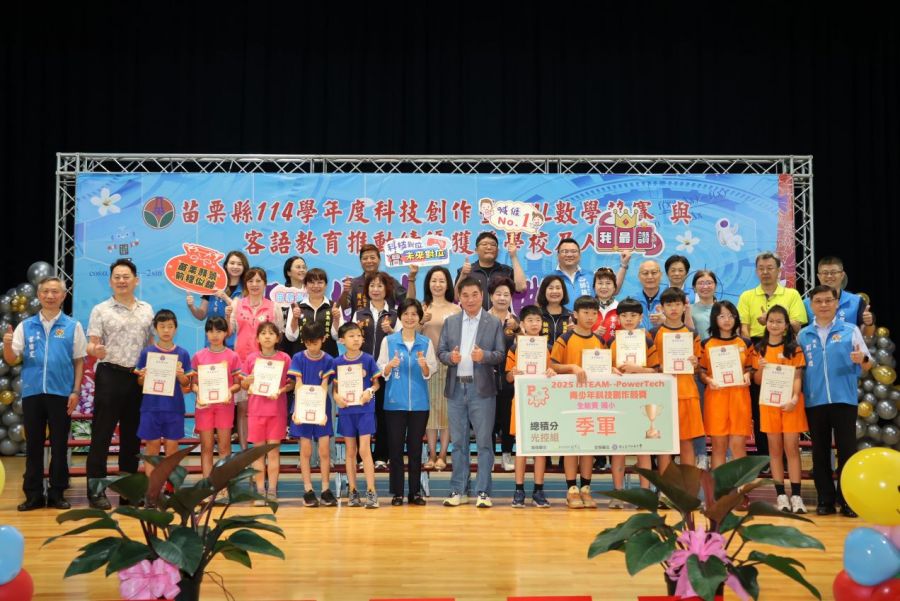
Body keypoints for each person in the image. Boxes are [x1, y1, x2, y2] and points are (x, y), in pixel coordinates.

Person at [3, 276, 85, 511]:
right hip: (33, 394)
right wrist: (7, 344)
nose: (50, 296)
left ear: (63, 295)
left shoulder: (73, 326)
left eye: (55, 292)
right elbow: (11, 358)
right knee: (34, 446)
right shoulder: (26, 326)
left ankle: (58, 493)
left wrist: (76, 391)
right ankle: (33, 495)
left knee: (59, 446)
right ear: (39, 295)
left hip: (62, 394)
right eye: (46, 291)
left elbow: (79, 361)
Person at [798, 285, 873, 517]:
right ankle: (825, 500)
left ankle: (848, 499)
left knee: (847, 451)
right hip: (815, 401)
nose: (823, 305)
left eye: (828, 300)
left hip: (844, 400)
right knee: (820, 453)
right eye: (818, 301)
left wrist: (862, 359)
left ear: (836, 303)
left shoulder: (850, 330)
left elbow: (868, 364)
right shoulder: (803, 335)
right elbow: (797, 370)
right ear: (811, 306)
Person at [85, 258, 155, 510]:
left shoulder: (147, 309)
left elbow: (150, 345)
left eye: (126, 276)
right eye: (117, 277)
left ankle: (128, 492)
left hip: (137, 378)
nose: (122, 281)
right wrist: (95, 350)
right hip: (110, 375)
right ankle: (96, 491)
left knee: (132, 438)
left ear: (136, 280)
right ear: (110, 281)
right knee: (102, 435)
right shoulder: (100, 310)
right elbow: (91, 344)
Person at [438, 277, 506, 509]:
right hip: (456, 389)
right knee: (458, 443)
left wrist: (483, 356)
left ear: (482, 296)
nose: (470, 299)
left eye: (474, 294)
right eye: (465, 295)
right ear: (459, 297)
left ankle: (483, 491)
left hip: (482, 390)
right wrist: (451, 357)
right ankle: (459, 489)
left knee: (485, 443)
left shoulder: (493, 322)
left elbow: (500, 354)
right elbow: (441, 352)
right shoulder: (451, 322)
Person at [736, 252, 807, 458]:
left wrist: (773, 320)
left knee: (785, 402)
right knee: (761, 407)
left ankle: (786, 456)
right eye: (761, 268)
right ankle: (764, 457)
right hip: (759, 350)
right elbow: (744, 328)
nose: (765, 272)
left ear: (779, 270)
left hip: (786, 351)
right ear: (756, 271)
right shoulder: (747, 296)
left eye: (770, 268)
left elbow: (797, 324)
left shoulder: (792, 295)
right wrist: (754, 352)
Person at [226, 267, 295, 450]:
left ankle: (265, 451)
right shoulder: (237, 304)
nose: (254, 284)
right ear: (245, 284)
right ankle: (245, 452)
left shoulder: (274, 307)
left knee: (266, 407)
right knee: (243, 408)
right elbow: (229, 332)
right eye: (250, 281)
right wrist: (226, 316)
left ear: (265, 284)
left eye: (258, 281)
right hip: (243, 363)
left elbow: (278, 333)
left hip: (268, 366)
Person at [378, 298, 437, 506]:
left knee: (415, 450)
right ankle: (397, 493)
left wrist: (424, 366)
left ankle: (415, 492)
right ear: (400, 317)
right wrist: (389, 366)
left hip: (419, 405)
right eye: (406, 314)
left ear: (419, 318)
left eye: (414, 314)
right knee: (395, 450)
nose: (410, 318)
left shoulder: (426, 343)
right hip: (394, 404)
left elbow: (430, 371)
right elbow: (381, 369)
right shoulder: (389, 341)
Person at [750, 305, 808, 514]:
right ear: (766, 324)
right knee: (774, 451)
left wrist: (794, 398)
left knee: (791, 449)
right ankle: (781, 495)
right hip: (769, 405)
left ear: (785, 326)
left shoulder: (794, 348)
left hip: (791, 404)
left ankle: (797, 496)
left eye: (779, 321)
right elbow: (757, 380)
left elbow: (797, 376)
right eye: (771, 321)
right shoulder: (758, 349)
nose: (774, 325)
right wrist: (761, 368)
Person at [550, 295, 606, 509]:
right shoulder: (564, 338)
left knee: (588, 446)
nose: (590, 317)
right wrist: (572, 367)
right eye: (585, 312)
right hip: (569, 401)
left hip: (593, 401)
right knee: (571, 445)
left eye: (594, 313)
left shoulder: (599, 341)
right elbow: (552, 365)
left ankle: (586, 489)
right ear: (575, 314)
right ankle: (571, 489)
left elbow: (605, 366)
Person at [608, 297, 659, 504]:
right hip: (618, 401)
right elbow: (601, 367)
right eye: (624, 315)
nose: (628, 319)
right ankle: (618, 493)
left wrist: (637, 369)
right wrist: (610, 369)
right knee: (618, 448)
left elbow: (657, 370)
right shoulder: (611, 342)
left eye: (633, 315)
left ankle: (645, 494)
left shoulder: (647, 341)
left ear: (640, 317)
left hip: (643, 400)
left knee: (643, 449)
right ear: (618, 318)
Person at [504, 305, 555, 508]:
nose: (534, 324)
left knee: (539, 448)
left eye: (537, 320)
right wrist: (513, 373)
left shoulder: (548, 347)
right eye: (530, 320)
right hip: (521, 402)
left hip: (543, 403)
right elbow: (508, 377)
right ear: (523, 324)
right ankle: (519, 490)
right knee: (522, 448)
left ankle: (538, 490)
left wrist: (551, 372)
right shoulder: (515, 347)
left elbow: (553, 371)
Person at [348, 271, 399, 469]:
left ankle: (381, 456)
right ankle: (362, 457)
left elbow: (401, 341)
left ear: (387, 289)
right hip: (362, 372)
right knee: (362, 414)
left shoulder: (394, 315)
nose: (375, 289)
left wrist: (391, 332)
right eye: (372, 286)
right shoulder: (359, 314)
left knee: (384, 414)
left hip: (386, 372)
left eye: (380, 286)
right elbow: (350, 339)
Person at [134, 309, 192, 479]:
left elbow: (186, 383)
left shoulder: (182, 353)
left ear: (176, 329)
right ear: (155, 328)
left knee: (172, 449)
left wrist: (180, 375)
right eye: (162, 326)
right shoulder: (147, 353)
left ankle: (170, 486)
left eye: (170, 326)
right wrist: (143, 377)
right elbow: (140, 382)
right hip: (150, 407)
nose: (166, 330)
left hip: (174, 408)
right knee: (151, 448)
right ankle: (151, 488)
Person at [651, 287, 704, 473]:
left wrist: (695, 363)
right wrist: (659, 367)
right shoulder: (653, 333)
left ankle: (687, 486)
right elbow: (650, 366)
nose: (673, 308)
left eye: (677, 304)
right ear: (661, 308)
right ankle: (665, 486)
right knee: (664, 443)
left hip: (687, 392)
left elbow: (698, 368)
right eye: (669, 305)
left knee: (686, 442)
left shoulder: (693, 334)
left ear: (684, 307)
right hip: (661, 395)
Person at [241, 321, 293, 505]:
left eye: (271, 333)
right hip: (256, 412)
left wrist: (281, 390)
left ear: (277, 338)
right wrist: (247, 381)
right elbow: (243, 384)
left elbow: (291, 383)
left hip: (277, 412)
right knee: (258, 453)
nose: (267, 336)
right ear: (257, 338)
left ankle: (271, 490)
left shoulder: (285, 358)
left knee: (273, 453)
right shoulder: (251, 359)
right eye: (263, 333)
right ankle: (259, 491)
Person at [288, 322, 337, 507]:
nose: (312, 346)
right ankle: (308, 490)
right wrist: (297, 411)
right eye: (308, 343)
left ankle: (325, 489)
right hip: (302, 408)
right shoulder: (298, 358)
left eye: (315, 342)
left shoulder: (329, 360)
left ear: (323, 339)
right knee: (306, 450)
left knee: (324, 450)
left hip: (321, 408)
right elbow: (298, 384)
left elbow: (325, 386)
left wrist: (321, 412)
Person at [333, 321, 382, 509]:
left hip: (365, 410)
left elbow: (376, 384)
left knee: (364, 450)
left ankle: (371, 491)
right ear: (342, 340)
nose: (356, 339)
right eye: (351, 336)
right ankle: (353, 491)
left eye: (359, 336)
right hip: (347, 411)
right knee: (350, 451)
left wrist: (369, 391)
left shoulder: (368, 359)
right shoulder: (337, 362)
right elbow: (335, 388)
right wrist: (336, 397)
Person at [699, 301, 752, 469]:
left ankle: (741, 485)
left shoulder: (745, 343)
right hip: (716, 397)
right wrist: (708, 380)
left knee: (738, 446)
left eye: (731, 316)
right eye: (722, 316)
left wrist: (748, 375)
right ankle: (718, 485)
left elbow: (751, 367)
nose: (727, 320)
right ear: (714, 319)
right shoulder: (706, 344)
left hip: (739, 398)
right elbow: (701, 372)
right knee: (718, 447)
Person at [419, 266, 460, 471]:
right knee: (430, 412)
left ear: (448, 284)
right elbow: (411, 334)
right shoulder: (422, 308)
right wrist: (421, 321)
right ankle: (431, 454)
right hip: (427, 367)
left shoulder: (456, 309)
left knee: (446, 411)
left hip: (450, 365)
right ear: (428, 284)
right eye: (434, 280)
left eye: (442, 281)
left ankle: (443, 454)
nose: (437, 285)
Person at [190, 317, 242, 478]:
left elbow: (237, 384)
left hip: (224, 406)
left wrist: (229, 391)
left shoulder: (233, 356)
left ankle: (223, 484)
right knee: (206, 447)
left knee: (224, 447)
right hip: (204, 407)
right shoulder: (198, 356)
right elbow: (193, 384)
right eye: (211, 331)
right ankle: (207, 484)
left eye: (219, 331)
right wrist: (199, 392)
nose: (214, 335)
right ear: (206, 333)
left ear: (226, 333)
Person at [186, 250, 248, 348]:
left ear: (244, 267)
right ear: (226, 265)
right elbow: (201, 315)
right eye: (232, 263)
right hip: (213, 343)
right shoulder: (213, 285)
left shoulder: (247, 289)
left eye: (239, 264)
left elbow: (245, 314)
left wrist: (225, 297)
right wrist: (191, 306)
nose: (235, 267)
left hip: (237, 345)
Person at [488, 277, 519, 472]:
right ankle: (489, 455)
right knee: (488, 420)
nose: (502, 298)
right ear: (491, 296)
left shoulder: (516, 322)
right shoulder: (482, 319)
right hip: (487, 379)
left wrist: (519, 330)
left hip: (509, 379)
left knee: (508, 418)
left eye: (506, 294)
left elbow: (527, 347)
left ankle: (507, 454)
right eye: (498, 294)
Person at [802, 256, 875, 335]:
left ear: (842, 275)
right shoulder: (807, 303)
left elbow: (868, 334)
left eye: (833, 272)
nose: (829, 276)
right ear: (819, 276)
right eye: (825, 273)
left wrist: (869, 324)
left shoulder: (856, 301)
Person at [689, 269, 718, 468]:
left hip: (720, 366)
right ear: (694, 287)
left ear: (715, 285)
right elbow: (688, 335)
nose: (705, 286)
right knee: (697, 413)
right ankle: (700, 454)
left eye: (709, 283)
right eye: (701, 283)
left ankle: (722, 454)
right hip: (698, 366)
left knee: (718, 413)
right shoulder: (689, 309)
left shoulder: (724, 308)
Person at [454, 231, 526, 309]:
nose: (489, 247)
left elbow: (521, 287)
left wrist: (513, 256)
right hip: (473, 316)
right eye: (484, 244)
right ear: (476, 250)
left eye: (493, 245)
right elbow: (456, 297)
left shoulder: (506, 271)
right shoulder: (466, 271)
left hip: (500, 316)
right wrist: (463, 275)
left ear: (497, 251)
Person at [339, 244, 410, 311]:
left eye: (372, 258)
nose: (369, 261)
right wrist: (345, 292)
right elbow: (344, 307)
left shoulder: (390, 281)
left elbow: (408, 302)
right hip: (359, 320)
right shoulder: (354, 283)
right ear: (360, 262)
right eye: (365, 258)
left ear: (379, 260)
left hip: (386, 320)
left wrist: (411, 279)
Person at [288, 267, 340, 357]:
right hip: (302, 358)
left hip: (328, 358)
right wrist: (294, 319)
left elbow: (337, 336)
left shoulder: (334, 307)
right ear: (305, 285)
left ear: (326, 285)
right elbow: (291, 337)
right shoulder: (296, 307)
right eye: (311, 282)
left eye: (320, 282)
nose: (316, 286)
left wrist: (336, 319)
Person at [278, 255, 310, 357]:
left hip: (307, 341)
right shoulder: (280, 294)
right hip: (284, 342)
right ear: (288, 272)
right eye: (298, 267)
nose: (302, 270)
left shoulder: (312, 293)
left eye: (304, 267)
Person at [537, 275, 572, 348]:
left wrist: (573, 333)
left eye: (558, 288)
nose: (554, 291)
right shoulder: (536, 315)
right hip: (542, 354)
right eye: (551, 288)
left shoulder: (571, 317)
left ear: (563, 291)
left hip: (564, 355)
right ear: (544, 291)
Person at [592, 267, 619, 346]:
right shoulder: (587, 308)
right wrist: (593, 334)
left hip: (615, 351)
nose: (604, 287)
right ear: (594, 287)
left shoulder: (621, 309)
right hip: (591, 351)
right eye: (600, 283)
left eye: (608, 283)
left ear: (614, 287)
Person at [635, 260, 665, 331]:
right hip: (640, 338)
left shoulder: (670, 299)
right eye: (645, 273)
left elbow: (683, 326)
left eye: (654, 272)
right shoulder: (632, 301)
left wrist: (666, 321)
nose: (650, 276)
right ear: (639, 276)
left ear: (661, 275)